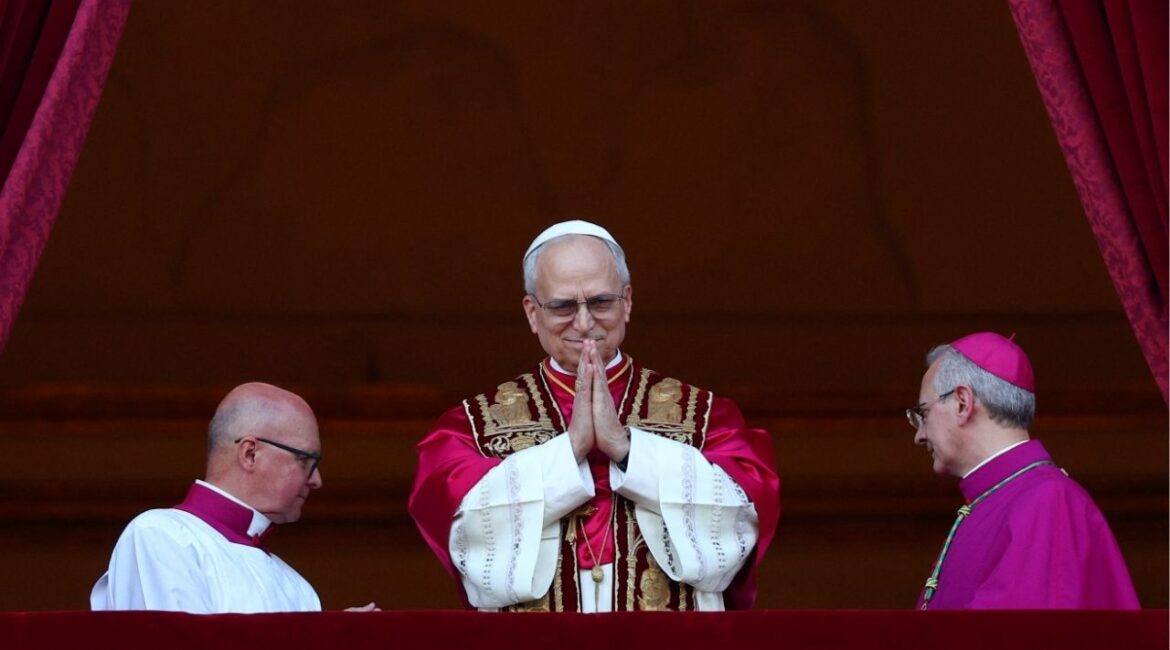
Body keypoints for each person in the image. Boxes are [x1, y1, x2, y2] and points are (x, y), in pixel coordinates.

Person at [409, 220, 780, 612]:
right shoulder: (472, 427)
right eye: (563, 306)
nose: (584, 323)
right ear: (532, 313)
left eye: (601, 302)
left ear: (628, 301)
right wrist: (568, 452)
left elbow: (742, 521)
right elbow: (461, 531)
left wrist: (628, 450)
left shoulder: (705, 417)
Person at [91, 382, 377, 613]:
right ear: (250, 453)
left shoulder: (297, 587)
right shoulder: (161, 537)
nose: (316, 480)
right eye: (305, 460)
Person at [909, 332, 1139, 609]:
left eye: (923, 413)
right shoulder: (995, 498)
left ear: (962, 402)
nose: (919, 435)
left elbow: (1024, 634)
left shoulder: (1048, 500)